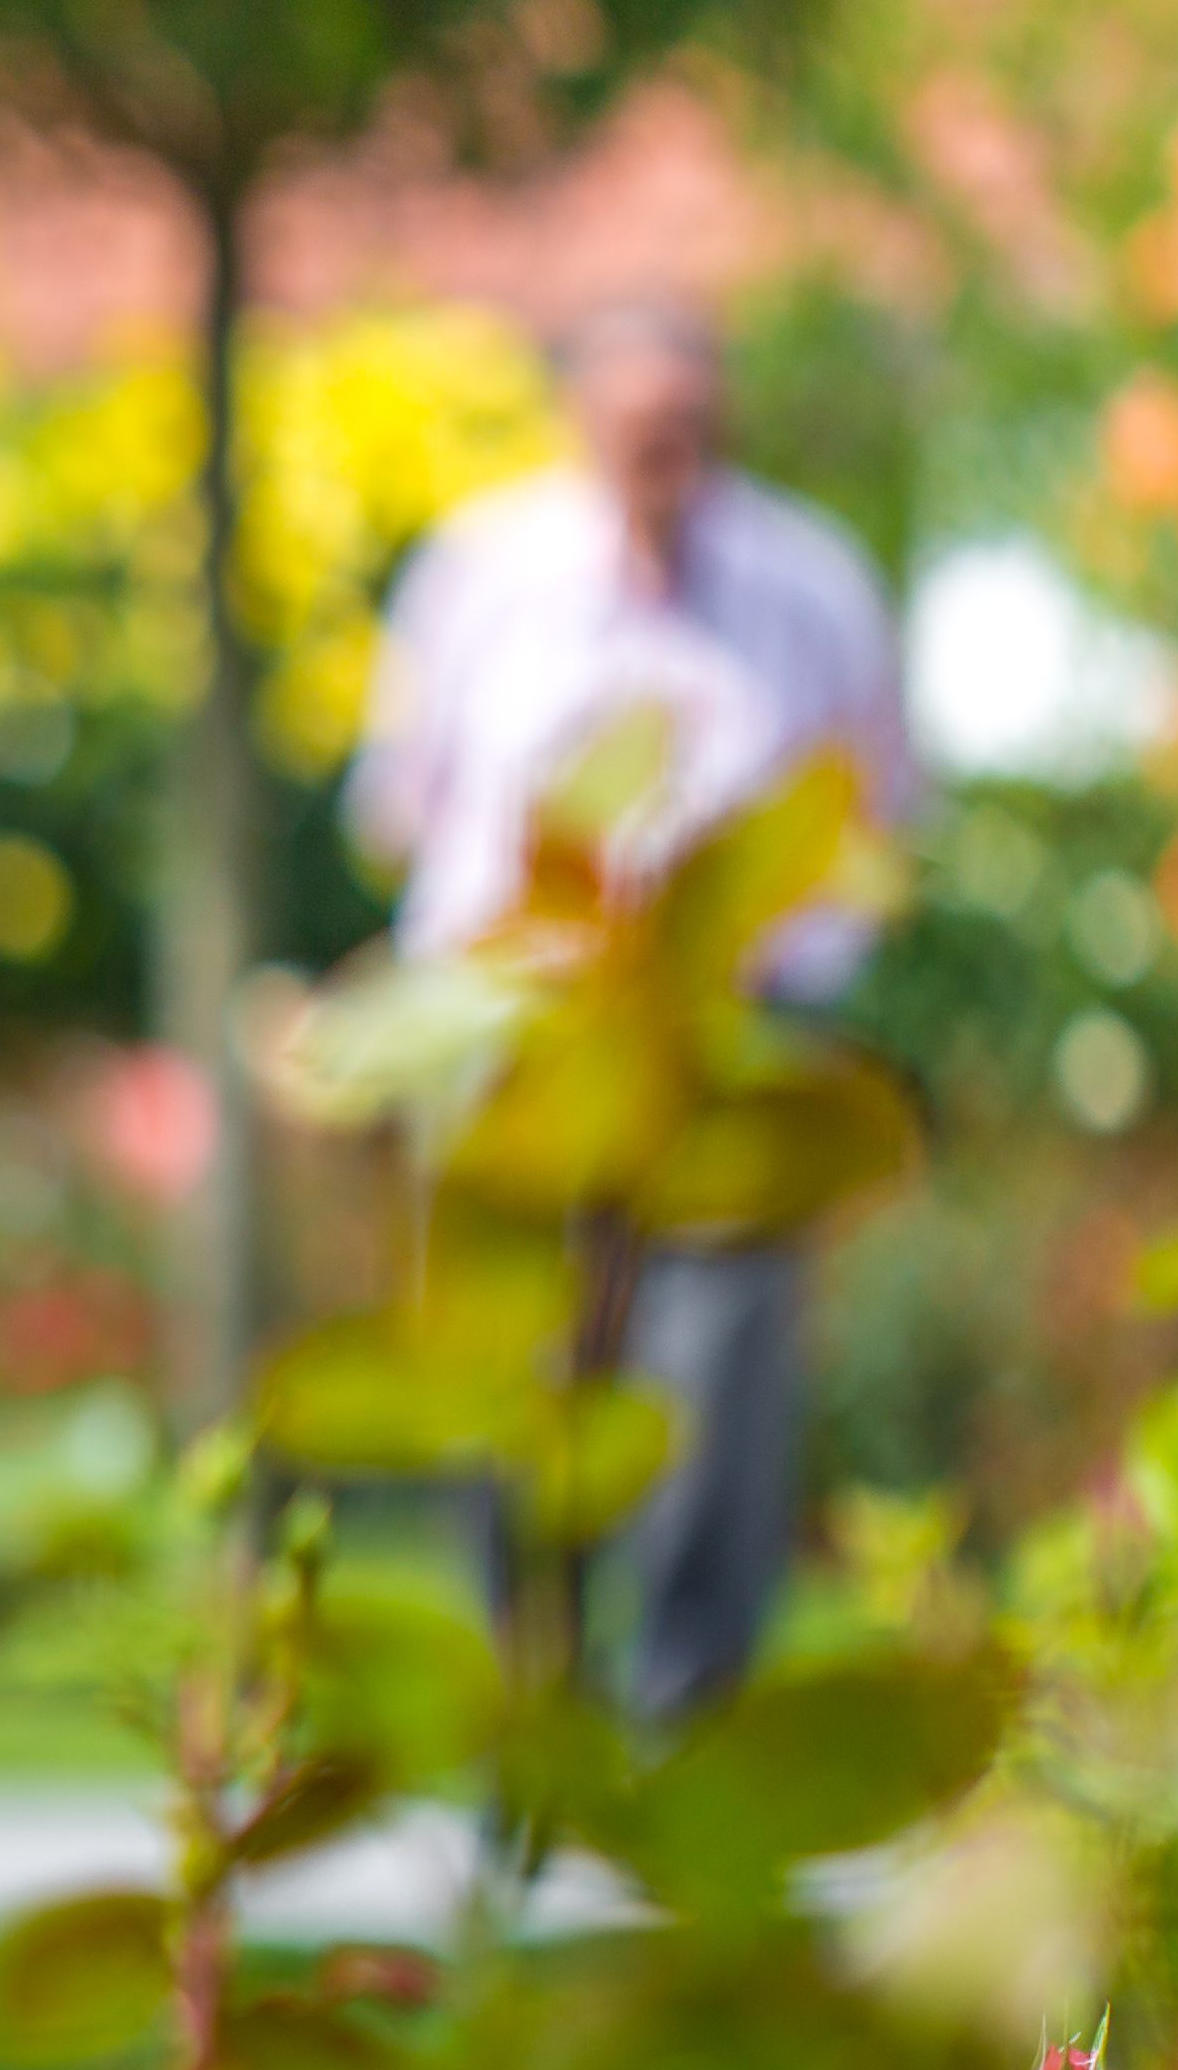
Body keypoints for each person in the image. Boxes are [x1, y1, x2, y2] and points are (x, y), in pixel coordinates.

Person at [345, 299, 924, 1720]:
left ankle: (689, 1715)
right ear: (582, 420)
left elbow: (882, 812)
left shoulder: (812, 585)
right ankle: (525, 1703)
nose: (665, 451)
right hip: (520, 1045)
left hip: (729, 1042)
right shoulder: (482, 573)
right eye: (637, 426)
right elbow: (397, 810)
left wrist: (789, 946)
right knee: (511, 1373)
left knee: (719, 1387)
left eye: (689, 425)